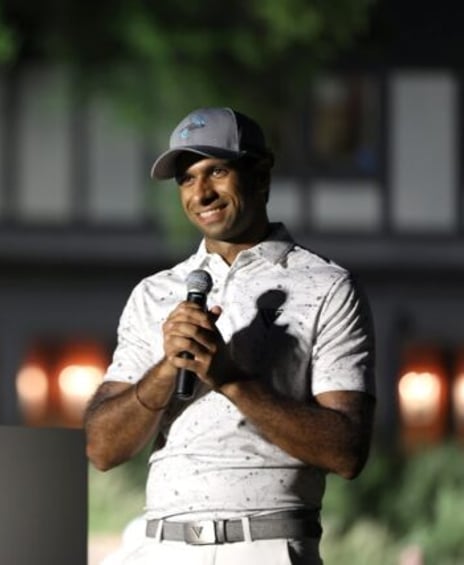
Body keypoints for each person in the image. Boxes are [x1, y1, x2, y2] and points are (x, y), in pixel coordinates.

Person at [84, 107, 375, 564]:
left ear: (260, 175)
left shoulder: (327, 287)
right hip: (160, 547)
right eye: (186, 178)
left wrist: (229, 378)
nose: (201, 192)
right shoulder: (156, 293)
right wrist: (169, 368)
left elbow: (346, 451)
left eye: (216, 171)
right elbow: (101, 448)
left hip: (266, 545)